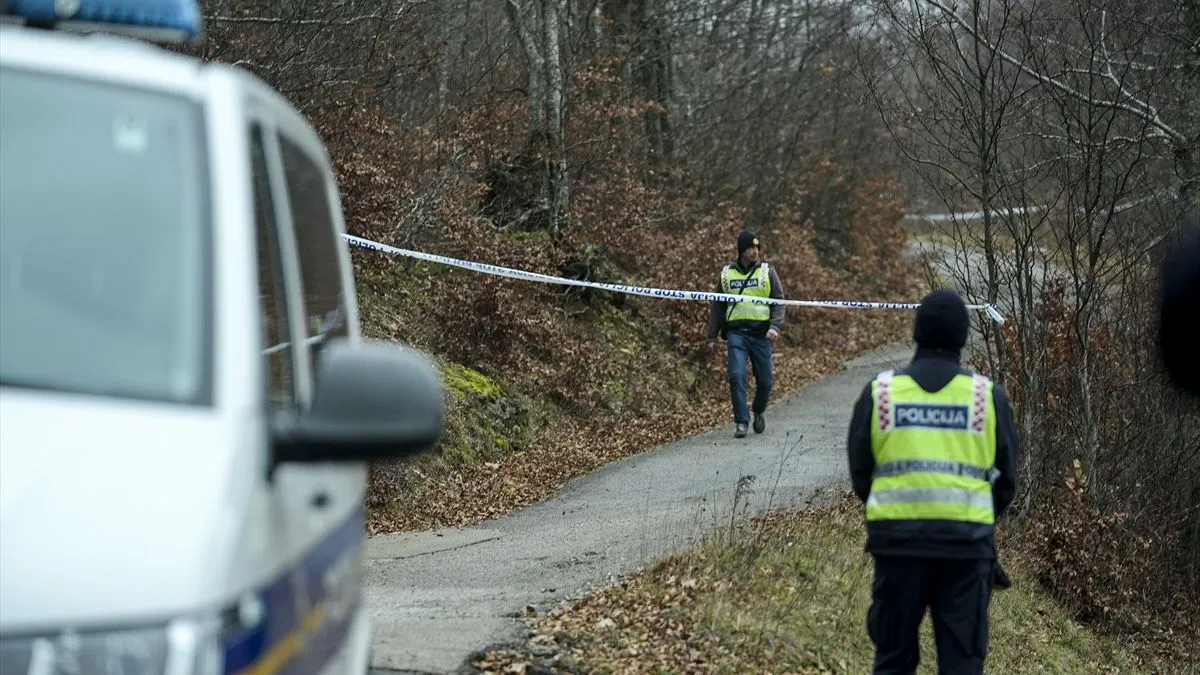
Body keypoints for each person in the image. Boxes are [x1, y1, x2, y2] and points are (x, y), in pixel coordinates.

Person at [845, 288, 1019, 675]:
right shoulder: (987, 397)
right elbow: (1007, 480)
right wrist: (977, 515)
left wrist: (893, 509)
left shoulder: (882, 392)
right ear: (962, 337)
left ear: (917, 332)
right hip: (966, 552)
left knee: (893, 661)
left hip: (898, 548)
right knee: (962, 664)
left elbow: (860, 472)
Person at [707, 230, 786, 438]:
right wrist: (711, 336)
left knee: (766, 381)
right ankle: (741, 421)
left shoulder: (767, 272)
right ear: (742, 251)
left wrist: (775, 326)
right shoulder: (727, 274)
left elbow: (779, 301)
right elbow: (717, 306)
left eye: (757, 248)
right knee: (736, 375)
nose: (755, 252)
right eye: (751, 248)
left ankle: (758, 410)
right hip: (736, 334)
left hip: (762, 335)